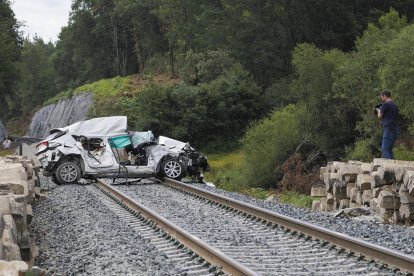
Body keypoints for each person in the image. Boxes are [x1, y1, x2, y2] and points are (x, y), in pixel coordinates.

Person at [376, 90, 399, 159]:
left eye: (381, 97)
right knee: (389, 150)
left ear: (385, 96)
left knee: (384, 149)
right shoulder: (395, 105)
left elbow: (379, 116)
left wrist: (378, 111)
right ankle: (394, 166)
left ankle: (390, 167)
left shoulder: (386, 104)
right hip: (396, 129)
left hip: (389, 129)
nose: (381, 98)